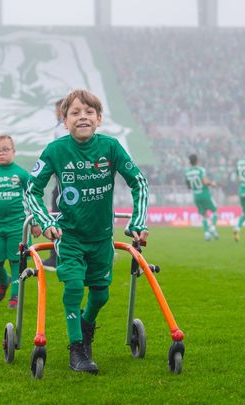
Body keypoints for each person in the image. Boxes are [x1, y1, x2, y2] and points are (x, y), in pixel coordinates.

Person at [26, 89, 149, 374]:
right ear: (64, 121)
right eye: (75, 113)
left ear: (99, 118)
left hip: (101, 238)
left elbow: (139, 182)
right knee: (72, 286)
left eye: (89, 112)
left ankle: (85, 324)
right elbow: (32, 188)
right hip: (69, 236)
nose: (82, 117)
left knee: (101, 295)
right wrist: (46, 221)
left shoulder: (111, 147)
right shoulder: (55, 150)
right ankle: (77, 349)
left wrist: (138, 222)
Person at [0, 134, 41, 309]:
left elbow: (33, 198)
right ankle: (4, 281)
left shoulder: (22, 174)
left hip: (18, 226)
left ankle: (15, 296)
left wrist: (35, 222)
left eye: (5, 149)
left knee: (16, 262)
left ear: (13, 151)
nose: (1, 153)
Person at [42, 98, 66, 271]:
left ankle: (55, 257)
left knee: (57, 216)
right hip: (64, 179)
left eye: (58, 109)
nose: (56, 113)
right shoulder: (61, 127)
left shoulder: (63, 128)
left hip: (65, 181)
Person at [184, 154, 219, 241]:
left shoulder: (187, 172)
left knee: (204, 215)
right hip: (204, 194)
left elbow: (188, 186)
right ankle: (212, 227)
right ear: (197, 161)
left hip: (196, 196)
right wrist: (212, 184)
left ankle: (206, 233)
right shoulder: (200, 170)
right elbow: (205, 181)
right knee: (215, 211)